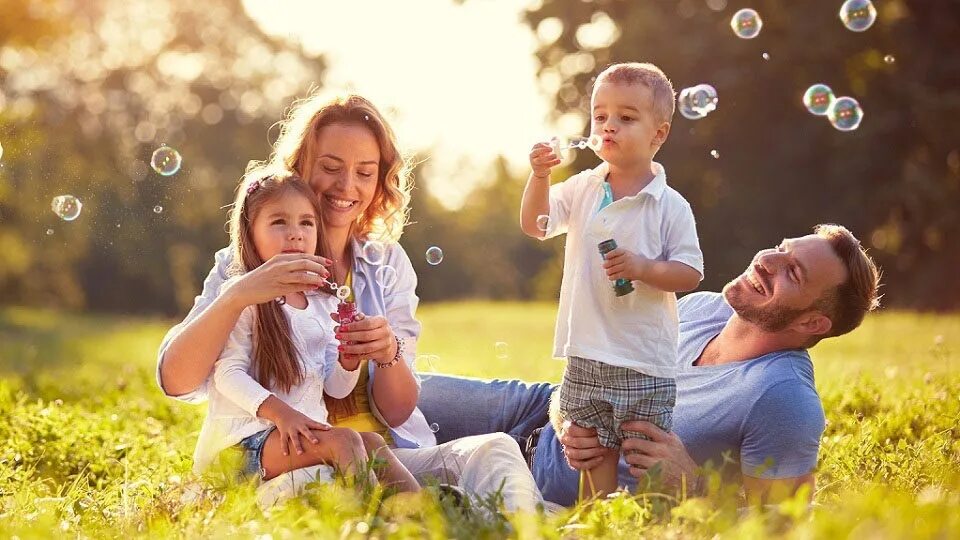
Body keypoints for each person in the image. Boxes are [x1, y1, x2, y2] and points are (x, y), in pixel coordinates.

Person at [157, 92, 543, 511]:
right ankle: (419, 517)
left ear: (380, 180)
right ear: (300, 167)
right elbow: (177, 381)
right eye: (330, 167)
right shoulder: (246, 264)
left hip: (385, 455)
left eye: (365, 172)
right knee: (334, 488)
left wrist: (385, 352)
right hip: (289, 459)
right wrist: (237, 294)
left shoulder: (386, 263)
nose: (347, 187)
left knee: (496, 451)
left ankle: (522, 528)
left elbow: (394, 412)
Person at [418, 224, 881, 506]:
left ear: (813, 321)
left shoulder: (784, 398)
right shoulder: (702, 307)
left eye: (793, 272)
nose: (767, 261)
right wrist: (564, 410)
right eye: (782, 248)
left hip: (552, 480)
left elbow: (781, 527)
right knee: (387, 389)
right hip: (537, 409)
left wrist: (694, 485)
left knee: (384, 465)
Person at [519, 62, 704, 497]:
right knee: (592, 448)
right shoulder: (584, 187)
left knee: (645, 451)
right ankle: (600, 516)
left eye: (626, 117)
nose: (608, 126)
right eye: (600, 116)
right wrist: (540, 176)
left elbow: (690, 272)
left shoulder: (669, 206)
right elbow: (536, 224)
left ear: (659, 134)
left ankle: (658, 517)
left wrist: (643, 268)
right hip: (587, 349)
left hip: (643, 356)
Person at [194, 171, 419, 493]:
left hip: (297, 437)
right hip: (241, 446)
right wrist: (283, 415)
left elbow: (336, 389)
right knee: (344, 440)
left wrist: (348, 360)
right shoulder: (243, 295)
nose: (295, 234)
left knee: (371, 443)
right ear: (250, 232)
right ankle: (373, 521)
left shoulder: (322, 303)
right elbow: (226, 374)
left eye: (306, 223)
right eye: (279, 222)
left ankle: (423, 513)